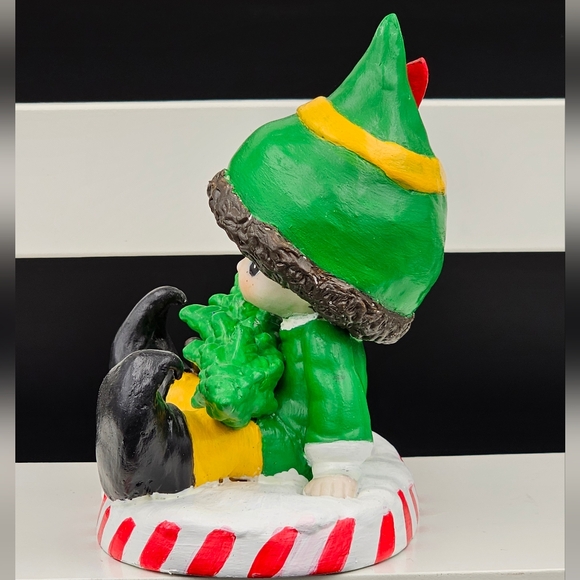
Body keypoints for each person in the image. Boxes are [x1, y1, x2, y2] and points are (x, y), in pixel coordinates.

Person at [96, 13, 446, 501]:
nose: (242, 270)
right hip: (263, 407)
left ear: (314, 283)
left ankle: (163, 457)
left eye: (259, 265)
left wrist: (335, 468)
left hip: (286, 438)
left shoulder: (321, 341)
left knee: (226, 444)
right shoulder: (279, 316)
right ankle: (155, 396)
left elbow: (340, 405)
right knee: (192, 396)